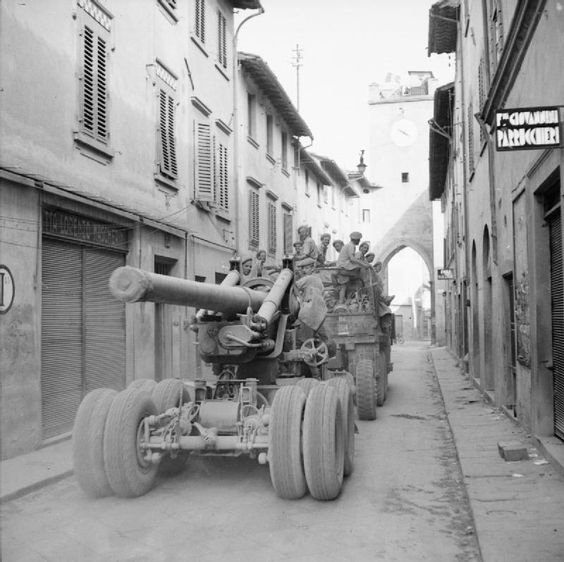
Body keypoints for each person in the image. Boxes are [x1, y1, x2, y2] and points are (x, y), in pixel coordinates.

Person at [335, 231, 371, 304]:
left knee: (359, 268)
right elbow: (352, 259)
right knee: (361, 270)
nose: (359, 241)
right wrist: (364, 265)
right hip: (343, 266)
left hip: (343, 265)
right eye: (358, 240)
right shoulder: (351, 246)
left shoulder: (349, 245)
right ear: (356, 240)